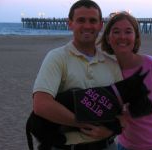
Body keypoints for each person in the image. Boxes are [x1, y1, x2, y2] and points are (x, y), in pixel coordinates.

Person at [32, 0, 124, 150]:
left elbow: (123, 109)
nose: (87, 26)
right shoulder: (57, 57)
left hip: (107, 146)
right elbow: (41, 104)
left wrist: (110, 129)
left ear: (100, 25)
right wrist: (83, 123)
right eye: (81, 20)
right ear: (70, 23)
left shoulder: (111, 64)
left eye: (93, 21)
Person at [98, 12, 152, 150]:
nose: (122, 36)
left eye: (128, 31)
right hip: (127, 146)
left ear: (136, 37)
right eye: (116, 31)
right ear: (108, 38)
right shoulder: (105, 71)